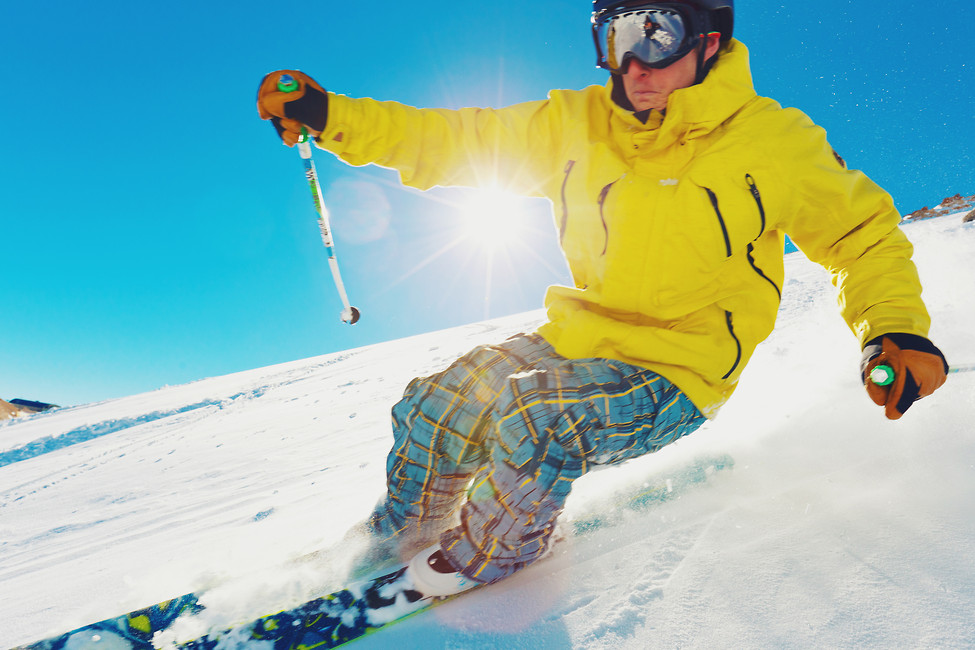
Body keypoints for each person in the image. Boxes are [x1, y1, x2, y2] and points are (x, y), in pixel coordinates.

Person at [256, 0, 949, 597]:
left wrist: (894, 330)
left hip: (679, 368)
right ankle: (397, 537)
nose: (634, 64)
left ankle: (489, 556)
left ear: (708, 40)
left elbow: (861, 236)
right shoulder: (575, 124)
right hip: (581, 339)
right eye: (615, 38)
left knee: (539, 419)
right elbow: (450, 140)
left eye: (656, 34)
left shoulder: (772, 141)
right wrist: (330, 117)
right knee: (440, 401)